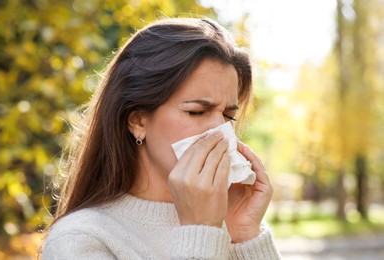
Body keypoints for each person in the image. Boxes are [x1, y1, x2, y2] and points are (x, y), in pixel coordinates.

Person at [41, 17, 281, 259]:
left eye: (228, 115)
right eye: (196, 111)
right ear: (138, 121)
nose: (220, 131)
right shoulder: (80, 240)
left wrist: (244, 233)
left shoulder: (229, 226)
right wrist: (198, 232)